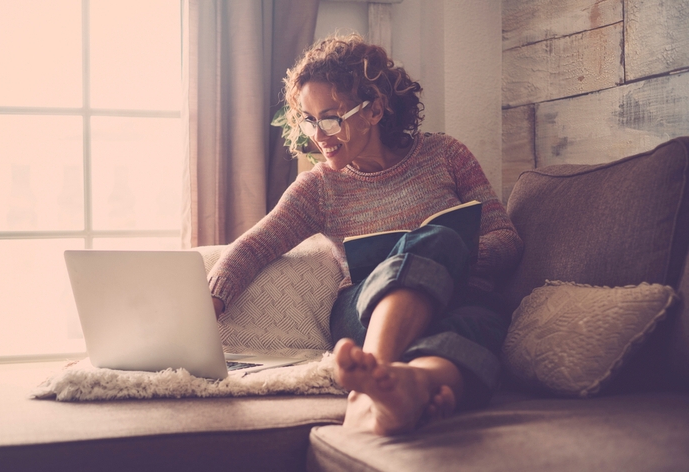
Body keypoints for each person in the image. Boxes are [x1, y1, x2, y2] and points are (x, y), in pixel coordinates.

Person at [208, 34, 523, 436]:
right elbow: (254, 245)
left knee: (475, 324)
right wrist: (210, 300)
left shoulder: (446, 155)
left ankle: (408, 390)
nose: (318, 134)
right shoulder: (319, 187)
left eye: (331, 116)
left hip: (461, 300)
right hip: (365, 313)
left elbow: (506, 239)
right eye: (308, 118)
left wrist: (448, 258)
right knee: (439, 240)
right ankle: (369, 391)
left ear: (374, 110)